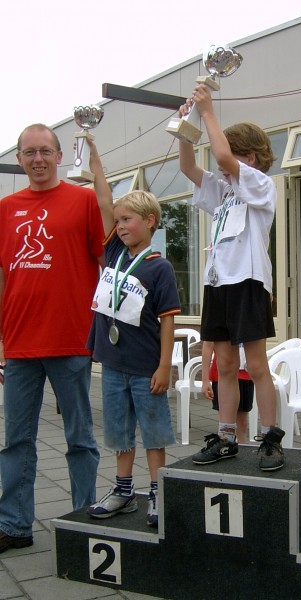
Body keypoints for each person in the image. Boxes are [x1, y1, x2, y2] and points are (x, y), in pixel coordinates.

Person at [0, 124, 107, 553]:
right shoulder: (6, 208)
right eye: (30, 152)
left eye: (45, 151)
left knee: (79, 438)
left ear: (60, 156)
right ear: (20, 159)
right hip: (20, 344)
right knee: (16, 441)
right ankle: (14, 525)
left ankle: (83, 518)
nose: (38, 159)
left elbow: (106, 259)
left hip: (71, 339)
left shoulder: (83, 201)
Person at [179, 83, 285, 471]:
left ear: (250, 157)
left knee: (255, 366)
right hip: (219, 283)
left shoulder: (259, 184)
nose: (221, 162)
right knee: (224, 365)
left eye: (231, 154)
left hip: (248, 282)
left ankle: (270, 438)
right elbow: (188, 167)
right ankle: (226, 437)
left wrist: (209, 110)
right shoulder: (225, 191)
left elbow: (222, 155)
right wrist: (187, 127)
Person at [86, 189, 180, 529]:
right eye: (118, 221)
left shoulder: (160, 268)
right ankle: (124, 491)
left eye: (127, 219)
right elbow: (103, 200)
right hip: (113, 364)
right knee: (118, 431)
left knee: (154, 431)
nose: (120, 226)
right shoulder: (115, 253)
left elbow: (167, 320)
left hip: (146, 367)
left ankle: (157, 491)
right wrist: (94, 160)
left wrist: (164, 366)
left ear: (150, 221)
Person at [201, 341, 254, 444]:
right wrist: (205, 380)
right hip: (222, 376)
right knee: (225, 423)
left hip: (245, 374)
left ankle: (243, 449)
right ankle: (225, 446)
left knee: (242, 424)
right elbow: (208, 345)